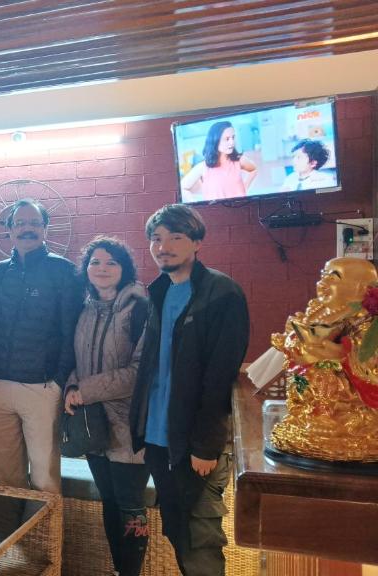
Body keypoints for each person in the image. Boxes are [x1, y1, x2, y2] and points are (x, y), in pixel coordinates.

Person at [130, 204, 249, 576]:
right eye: (156, 238)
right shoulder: (160, 291)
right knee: (178, 531)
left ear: (196, 241)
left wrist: (205, 445)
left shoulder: (222, 292)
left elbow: (219, 376)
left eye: (175, 237)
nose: (163, 246)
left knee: (200, 542)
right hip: (158, 439)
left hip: (195, 445)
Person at [0, 199, 83, 494]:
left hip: (41, 388)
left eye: (34, 223)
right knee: (5, 477)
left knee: (45, 480)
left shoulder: (64, 271)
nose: (27, 229)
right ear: (10, 231)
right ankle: (15, 539)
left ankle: (46, 541)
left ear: (45, 229)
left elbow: (71, 330)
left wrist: (58, 381)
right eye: (20, 223)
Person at [64, 237, 150, 576]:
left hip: (130, 426)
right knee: (110, 502)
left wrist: (85, 390)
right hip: (95, 425)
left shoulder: (140, 308)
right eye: (95, 262)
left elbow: (139, 372)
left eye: (111, 262)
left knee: (130, 506)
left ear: (124, 268)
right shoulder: (85, 309)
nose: (102, 268)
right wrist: (73, 385)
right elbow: (79, 360)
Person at [180, 121, 258, 200]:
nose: (232, 142)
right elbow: (183, 187)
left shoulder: (239, 160)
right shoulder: (202, 167)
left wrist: (245, 187)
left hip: (241, 208)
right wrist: (195, 205)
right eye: (227, 139)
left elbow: (253, 169)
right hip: (216, 211)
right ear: (215, 141)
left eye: (233, 137)